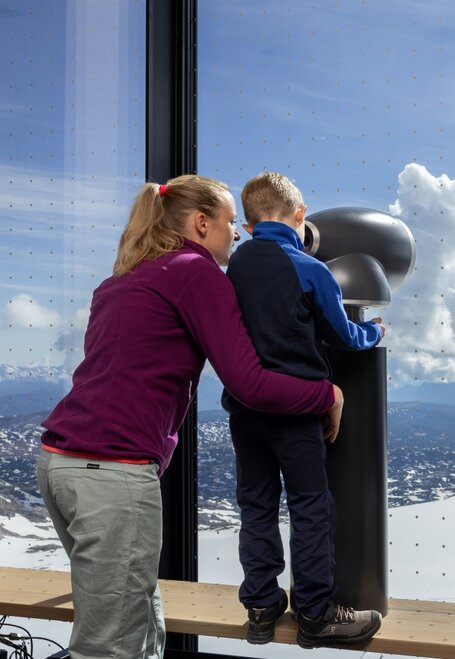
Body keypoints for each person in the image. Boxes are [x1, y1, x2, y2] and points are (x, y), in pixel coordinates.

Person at [36, 175, 342, 659]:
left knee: (137, 616)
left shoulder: (121, 278)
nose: (236, 237)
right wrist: (325, 394)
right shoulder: (193, 271)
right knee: (109, 647)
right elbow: (250, 384)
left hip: (60, 464)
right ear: (202, 222)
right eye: (228, 226)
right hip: (111, 472)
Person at [223, 171, 385, 648]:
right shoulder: (310, 269)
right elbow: (344, 336)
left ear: (249, 223)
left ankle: (260, 606)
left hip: (245, 412)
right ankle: (316, 614)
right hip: (295, 412)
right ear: (300, 216)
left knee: (256, 505)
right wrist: (374, 331)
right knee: (310, 507)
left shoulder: (234, 269)